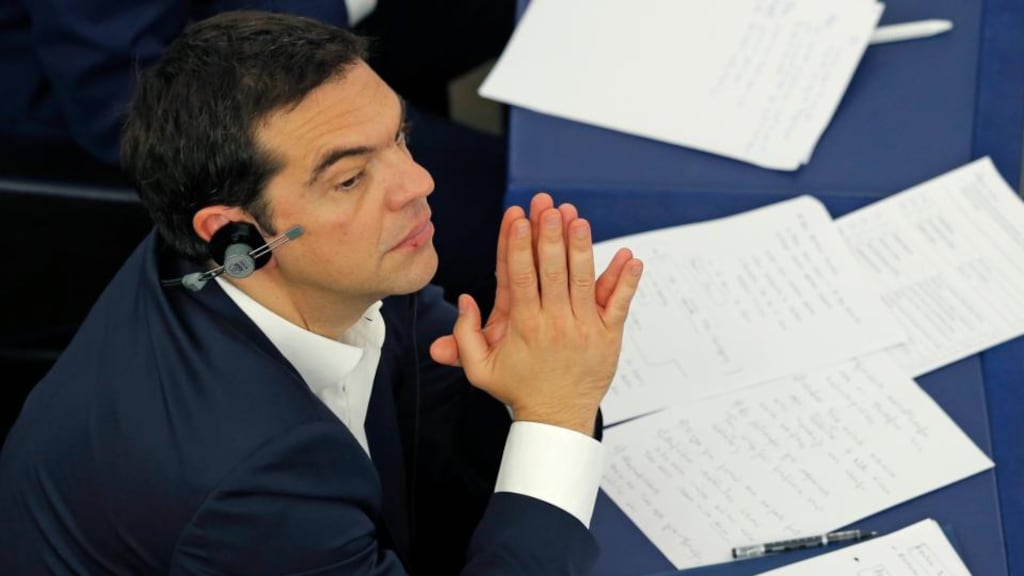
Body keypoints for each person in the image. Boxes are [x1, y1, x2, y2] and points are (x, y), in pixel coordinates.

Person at [0, 11, 644, 575]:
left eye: (399, 138)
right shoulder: (248, 484)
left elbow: (437, 427)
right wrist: (556, 416)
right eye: (350, 179)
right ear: (232, 231)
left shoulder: (301, 264)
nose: (417, 183)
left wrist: (527, 386)